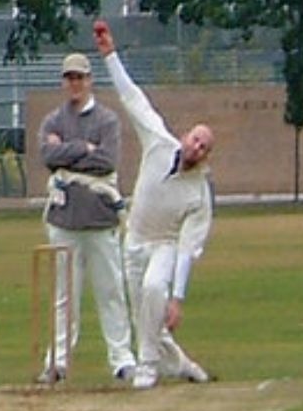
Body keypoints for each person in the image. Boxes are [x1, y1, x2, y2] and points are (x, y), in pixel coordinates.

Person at [93, 20, 215, 390]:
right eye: (196, 139)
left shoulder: (199, 193)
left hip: (164, 244)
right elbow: (132, 98)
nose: (197, 147)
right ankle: (183, 365)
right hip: (134, 239)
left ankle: (147, 365)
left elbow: (188, 249)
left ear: (207, 156)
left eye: (205, 147)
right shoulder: (159, 142)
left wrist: (177, 299)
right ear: (185, 137)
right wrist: (109, 54)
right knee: (144, 314)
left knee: (153, 293)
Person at [38, 50, 137, 383]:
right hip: (64, 220)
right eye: (70, 78)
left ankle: (122, 359)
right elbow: (47, 155)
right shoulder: (53, 120)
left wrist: (67, 153)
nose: (75, 83)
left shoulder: (107, 120)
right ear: (64, 82)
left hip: (99, 219)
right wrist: (83, 147)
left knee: (110, 292)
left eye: (80, 77)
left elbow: (107, 161)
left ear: (89, 80)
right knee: (64, 296)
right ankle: (58, 361)